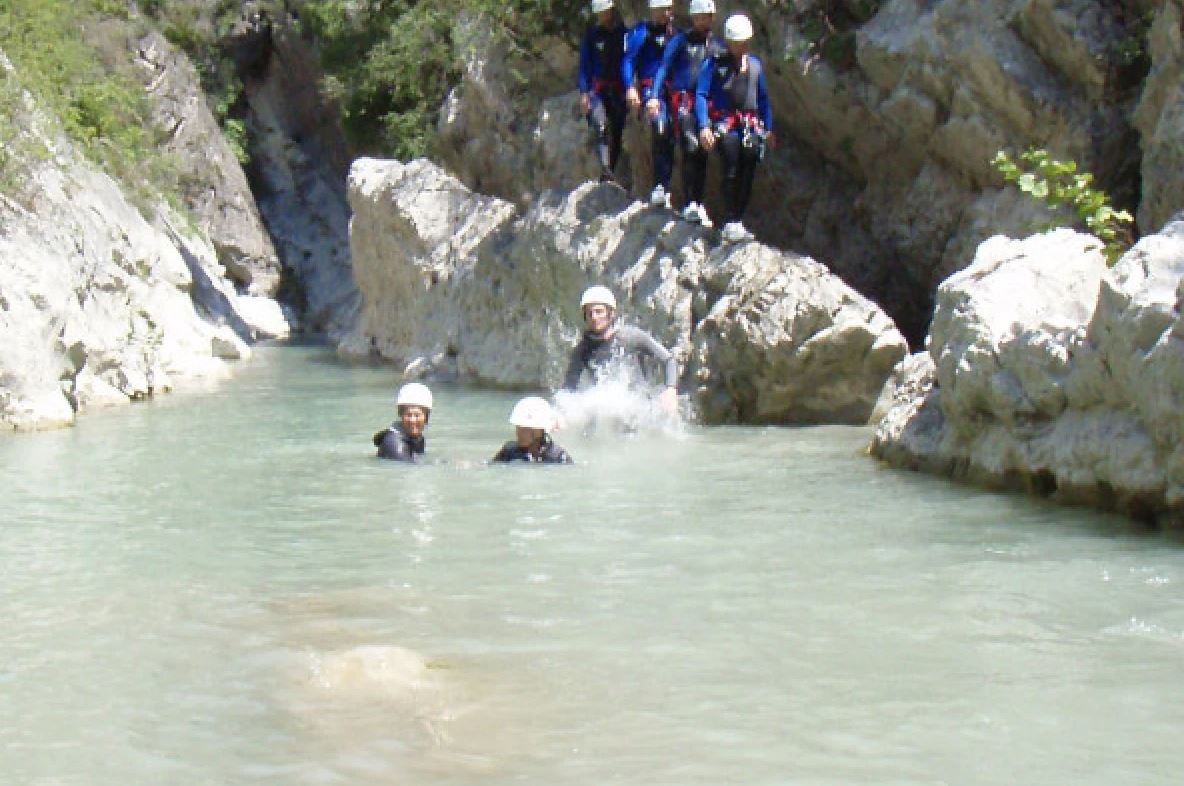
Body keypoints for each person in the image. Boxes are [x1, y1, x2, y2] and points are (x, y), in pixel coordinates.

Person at [694, 13, 776, 243]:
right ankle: (730, 218)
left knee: (748, 167)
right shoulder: (714, 64)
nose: (741, 47)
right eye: (737, 43)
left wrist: (769, 128)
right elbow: (701, 94)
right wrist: (703, 126)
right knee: (731, 164)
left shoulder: (755, 66)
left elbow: (762, 98)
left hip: (749, 125)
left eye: (744, 43)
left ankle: (737, 218)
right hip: (725, 124)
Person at [652, 0, 724, 227]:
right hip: (683, 101)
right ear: (693, 18)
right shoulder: (680, 42)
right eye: (699, 17)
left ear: (712, 17)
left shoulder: (717, 47)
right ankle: (688, 201)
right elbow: (663, 68)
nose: (703, 21)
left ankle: (696, 202)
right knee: (690, 145)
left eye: (707, 16)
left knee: (701, 152)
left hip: (706, 104)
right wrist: (654, 95)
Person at [562, 285, 679, 414]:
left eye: (599, 311)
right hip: (607, 413)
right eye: (589, 313)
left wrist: (671, 390)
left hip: (639, 411)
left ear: (611, 313)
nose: (594, 317)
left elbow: (669, 360)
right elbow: (568, 390)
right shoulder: (582, 349)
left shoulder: (631, 337)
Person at [622, 0, 680, 208]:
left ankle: (670, 187)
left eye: (665, 9)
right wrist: (630, 86)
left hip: (674, 90)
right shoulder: (641, 32)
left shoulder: (676, 34)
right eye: (658, 10)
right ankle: (659, 186)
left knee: (676, 136)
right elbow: (628, 60)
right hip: (650, 88)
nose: (662, 14)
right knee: (660, 127)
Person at [579, 0, 628, 184]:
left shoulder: (622, 33)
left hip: (617, 89)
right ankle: (606, 170)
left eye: (607, 11)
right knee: (600, 126)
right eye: (601, 12)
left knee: (617, 131)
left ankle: (611, 171)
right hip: (597, 90)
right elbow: (584, 66)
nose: (605, 15)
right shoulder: (592, 36)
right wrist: (584, 92)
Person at [492, 397, 574, 464]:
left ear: (539, 431)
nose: (518, 434)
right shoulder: (509, 452)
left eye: (525, 429)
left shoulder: (557, 456)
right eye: (518, 428)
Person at [372, 382, 432, 462]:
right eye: (408, 415)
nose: (412, 420)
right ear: (401, 415)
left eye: (417, 415)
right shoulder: (395, 445)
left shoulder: (416, 438)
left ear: (426, 417)